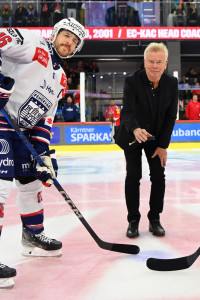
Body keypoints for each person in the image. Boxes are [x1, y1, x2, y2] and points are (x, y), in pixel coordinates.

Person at [0, 17, 85, 289]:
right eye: (66, 35)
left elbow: (45, 118)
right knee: (0, 188)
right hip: (1, 120)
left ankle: (33, 237)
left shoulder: (60, 78)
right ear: (55, 32)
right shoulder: (33, 44)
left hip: (22, 131)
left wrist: (43, 154)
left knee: (32, 182)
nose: (68, 42)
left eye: (74, 42)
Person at [120, 42, 178, 238]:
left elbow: (171, 116)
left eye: (159, 62)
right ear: (144, 62)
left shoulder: (171, 83)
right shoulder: (132, 81)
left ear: (165, 63)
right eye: (151, 61)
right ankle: (133, 220)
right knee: (133, 176)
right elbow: (126, 111)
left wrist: (163, 146)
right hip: (133, 135)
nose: (155, 66)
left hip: (156, 138)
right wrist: (135, 128)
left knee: (158, 177)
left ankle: (155, 219)